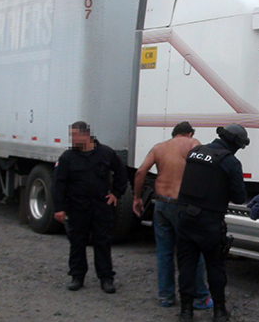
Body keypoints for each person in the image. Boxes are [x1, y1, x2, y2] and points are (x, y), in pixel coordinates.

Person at [132, 121, 214, 310]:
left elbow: (140, 172)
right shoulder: (192, 144)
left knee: (164, 252)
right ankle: (200, 297)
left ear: (174, 133)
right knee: (193, 252)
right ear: (189, 133)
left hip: (160, 203)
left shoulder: (159, 148)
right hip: (181, 204)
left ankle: (166, 297)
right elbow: (204, 170)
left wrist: (137, 197)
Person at [176, 124, 249, 322]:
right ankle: (219, 311)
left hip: (185, 218)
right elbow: (239, 197)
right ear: (234, 143)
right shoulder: (230, 162)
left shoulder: (195, 152)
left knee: (187, 267)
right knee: (215, 267)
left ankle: (186, 312)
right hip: (210, 222)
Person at [53, 121, 128, 294]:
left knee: (103, 242)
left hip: (101, 206)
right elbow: (58, 184)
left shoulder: (106, 153)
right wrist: (59, 208)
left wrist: (116, 193)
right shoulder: (67, 157)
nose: (72, 140)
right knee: (77, 242)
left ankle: (106, 278)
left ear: (86, 135)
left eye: (74, 136)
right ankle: (77, 276)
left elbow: (121, 173)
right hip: (77, 206)